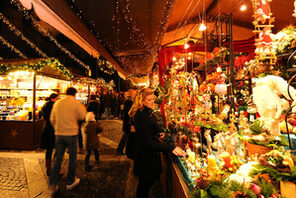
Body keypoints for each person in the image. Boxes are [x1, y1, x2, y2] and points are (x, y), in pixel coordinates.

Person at [130, 88, 185, 198]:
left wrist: (159, 132)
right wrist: (170, 148)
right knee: (144, 186)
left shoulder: (147, 112)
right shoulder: (141, 116)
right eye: (149, 100)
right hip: (145, 158)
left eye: (153, 99)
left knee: (146, 184)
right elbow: (147, 142)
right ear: (142, 101)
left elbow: (153, 126)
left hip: (148, 156)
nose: (152, 102)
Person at [48, 87, 87, 196]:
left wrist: (57, 128)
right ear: (74, 94)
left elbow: (52, 119)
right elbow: (83, 116)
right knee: (72, 158)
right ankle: (70, 181)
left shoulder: (58, 103)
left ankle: (52, 185)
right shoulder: (76, 103)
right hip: (71, 134)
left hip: (59, 134)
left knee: (57, 158)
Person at [40, 93, 59, 176]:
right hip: (51, 130)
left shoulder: (45, 105)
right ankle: (53, 169)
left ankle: (49, 168)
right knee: (54, 149)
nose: (58, 100)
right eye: (57, 98)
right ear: (53, 98)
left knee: (49, 150)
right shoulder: (53, 106)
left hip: (46, 129)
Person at [116, 89, 137, 155]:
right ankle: (120, 149)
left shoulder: (129, 101)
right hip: (128, 123)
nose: (135, 95)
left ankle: (122, 149)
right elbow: (129, 113)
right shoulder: (129, 102)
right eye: (134, 94)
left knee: (127, 136)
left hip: (128, 122)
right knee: (126, 137)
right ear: (131, 94)